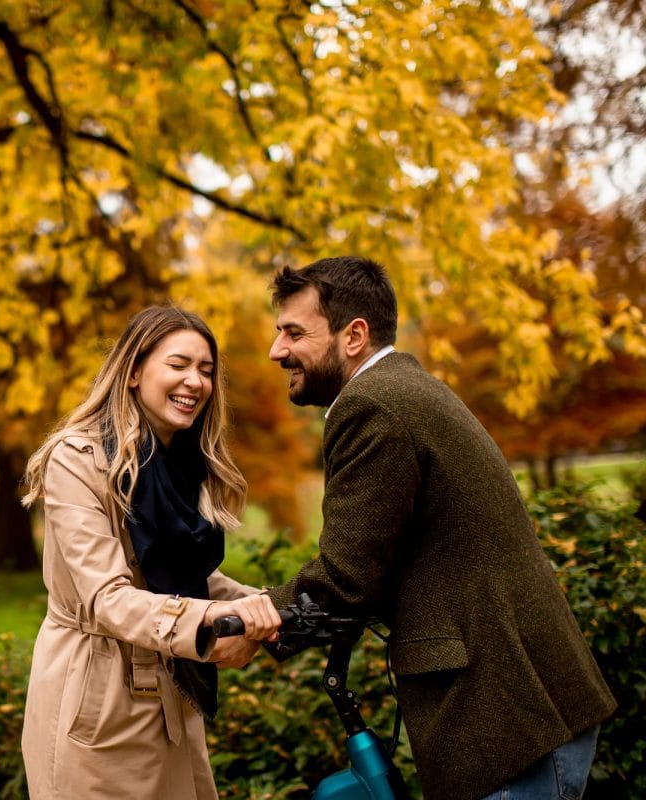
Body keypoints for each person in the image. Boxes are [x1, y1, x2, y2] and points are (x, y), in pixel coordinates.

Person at [262, 256, 615, 800]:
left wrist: (254, 622)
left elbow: (346, 580)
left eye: (293, 332)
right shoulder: (405, 389)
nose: (276, 350)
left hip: (509, 721)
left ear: (353, 335)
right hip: (528, 711)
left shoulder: (372, 405)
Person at [20, 306, 282, 799]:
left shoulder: (181, 462)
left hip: (169, 687)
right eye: (179, 364)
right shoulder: (78, 460)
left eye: (206, 370)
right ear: (135, 370)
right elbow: (109, 597)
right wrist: (212, 619)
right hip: (97, 694)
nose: (195, 382)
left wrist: (268, 607)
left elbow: (183, 577)